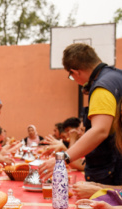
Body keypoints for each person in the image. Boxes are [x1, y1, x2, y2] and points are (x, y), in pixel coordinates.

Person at [40, 43, 122, 184]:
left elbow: (100, 130)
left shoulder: (102, 87)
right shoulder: (117, 76)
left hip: (114, 171)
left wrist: (62, 159)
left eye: (71, 76)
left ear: (75, 72)